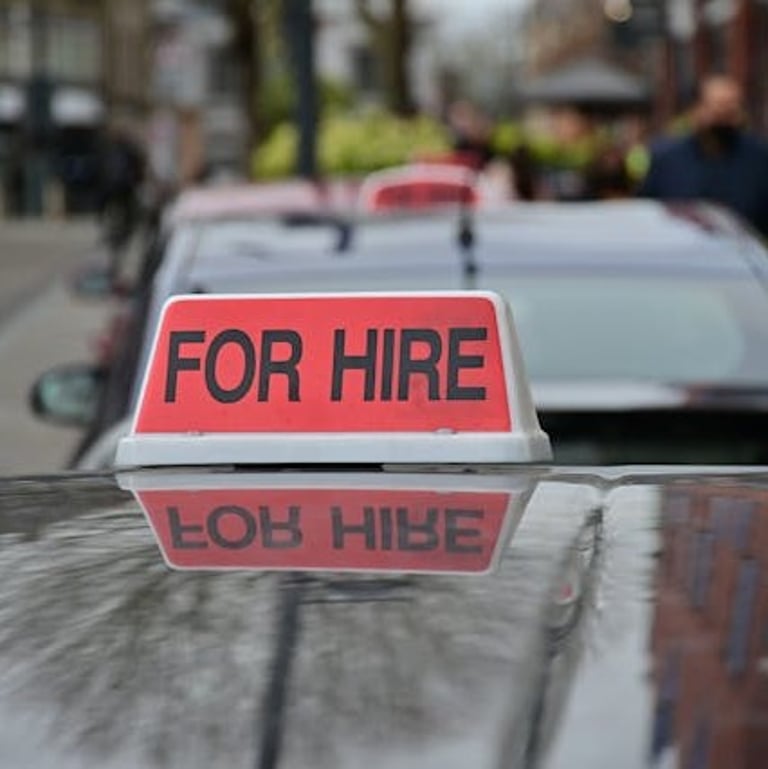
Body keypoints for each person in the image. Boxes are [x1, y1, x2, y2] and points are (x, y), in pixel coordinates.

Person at [640, 75, 768, 236]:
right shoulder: (666, 159)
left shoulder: (759, 158)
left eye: (732, 105)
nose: (725, 114)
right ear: (697, 109)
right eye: (718, 106)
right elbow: (647, 214)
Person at [97, 126, 146, 283]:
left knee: (114, 232)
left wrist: (100, 210)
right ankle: (118, 258)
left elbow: (100, 175)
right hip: (126, 196)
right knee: (127, 229)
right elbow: (140, 172)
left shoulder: (106, 151)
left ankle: (114, 260)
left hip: (111, 197)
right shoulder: (130, 151)